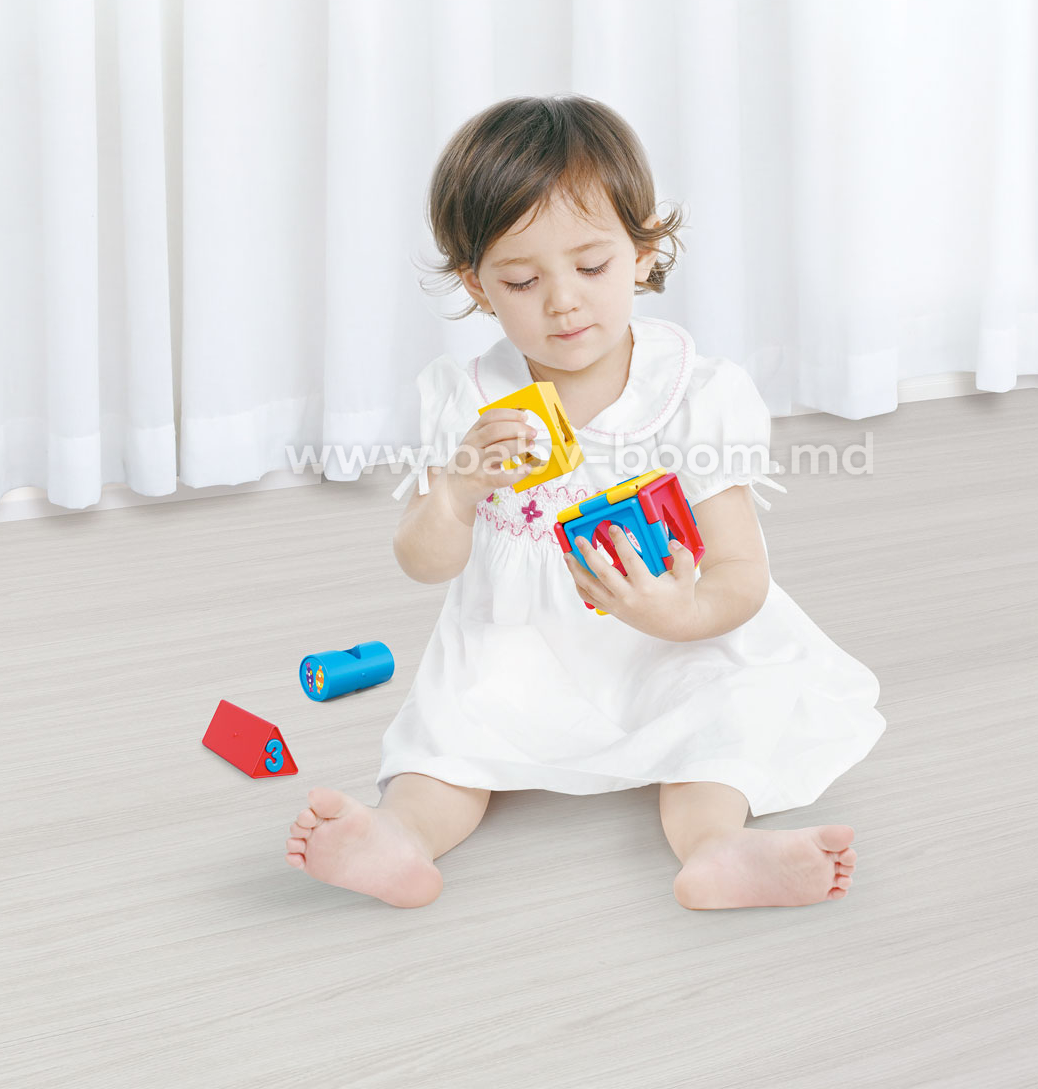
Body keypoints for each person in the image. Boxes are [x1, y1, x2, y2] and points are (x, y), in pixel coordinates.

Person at [285, 95, 886, 910]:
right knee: (451, 729)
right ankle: (399, 837)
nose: (562, 301)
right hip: (518, 638)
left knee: (723, 713)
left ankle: (717, 847)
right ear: (478, 286)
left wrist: (681, 615)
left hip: (676, 636)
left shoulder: (695, 395)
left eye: (592, 267)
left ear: (643, 252)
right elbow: (423, 562)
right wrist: (457, 488)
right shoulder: (469, 399)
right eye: (522, 280)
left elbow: (742, 571)